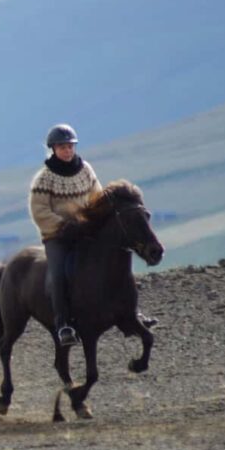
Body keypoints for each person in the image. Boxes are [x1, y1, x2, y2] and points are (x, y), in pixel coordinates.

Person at [29, 124, 157, 347]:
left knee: (117, 261)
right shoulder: (43, 179)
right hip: (58, 237)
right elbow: (39, 211)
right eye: (62, 147)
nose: (67, 151)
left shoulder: (86, 169)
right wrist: (63, 225)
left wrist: (97, 221)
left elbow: (98, 198)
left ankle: (131, 314)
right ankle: (63, 325)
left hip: (85, 231)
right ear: (53, 149)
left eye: (70, 146)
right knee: (58, 275)